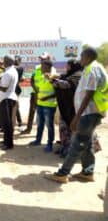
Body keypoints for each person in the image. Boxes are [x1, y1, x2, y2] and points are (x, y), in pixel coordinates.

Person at [46, 47, 108, 183]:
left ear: (88, 57)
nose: (80, 58)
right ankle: (88, 172)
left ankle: (62, 174)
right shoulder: (91, 68)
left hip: (89, 113)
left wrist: (77, 116)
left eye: (82, 56)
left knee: (77, 143)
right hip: (91, 112)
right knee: (87, 143)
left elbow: (89, 95)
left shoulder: (93, 70)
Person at [51, 59, 82, 157]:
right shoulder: (71, 75)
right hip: (67, 108)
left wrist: (54, 81)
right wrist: (55, 79)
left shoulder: (78, 75)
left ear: (73, 66)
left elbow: (67, 84)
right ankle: (64, 149)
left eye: (68, 66)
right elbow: (63, 78)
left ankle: (70, 153)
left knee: (73, 131)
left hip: (75, 109)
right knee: (64, 129)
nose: (66, 68)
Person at [22, 52, 56, 134]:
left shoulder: (52, 70)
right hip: (35, 93)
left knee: (44, 115)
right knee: (32, 111)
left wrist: (40, 92)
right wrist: (36, 90)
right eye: (41, 59)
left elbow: (53, 83)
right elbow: (32, 80)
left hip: (45, 96)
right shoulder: (37, 68)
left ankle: (42, 133)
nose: (41, 60)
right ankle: (28, 128)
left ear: (48, 59)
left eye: (43, 59)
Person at [0, 55, 18, 150]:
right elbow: (3, 82)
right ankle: (6, 140)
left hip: (6, 99)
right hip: (9, 98)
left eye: (4, 61)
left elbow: (4, 88)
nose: (2, 63)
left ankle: (8, 144)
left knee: (6, 123)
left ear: (7, 62)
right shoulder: (12, 71)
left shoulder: (8, 73)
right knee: (7, 122)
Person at [29, 60, 57, 152]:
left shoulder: (54, 77)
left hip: (49, 105)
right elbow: (39, 89)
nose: (41, 67)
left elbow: (57, 93)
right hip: (40, 104)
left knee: (49, 126)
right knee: (40, 124)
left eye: (43, 66)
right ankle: (38, 140)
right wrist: (36, 102)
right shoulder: (41, 76)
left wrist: (47, 98)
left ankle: (49, 144)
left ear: (48, 67)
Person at [14, 56, 24, 127]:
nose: (15, 60)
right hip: (11, 90)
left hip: (15, 90)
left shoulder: (20, 68)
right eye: (15, 59)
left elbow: (14, 68)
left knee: (16, 106)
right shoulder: (10, 67)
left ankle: (19, 122)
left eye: (17, 60)